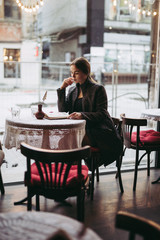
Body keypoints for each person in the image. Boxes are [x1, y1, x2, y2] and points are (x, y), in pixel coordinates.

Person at [57, 57, 122, 169]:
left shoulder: (98, 89)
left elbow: (102, 113)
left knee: (72, 142)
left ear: (86, 72)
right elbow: (62, 110)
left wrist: (82, 115)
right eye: (71, 73)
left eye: (76, 73)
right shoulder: (72, 90)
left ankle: (74, 175)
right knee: (65, 141)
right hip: (82, 131)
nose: (72, 76)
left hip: (100, 131)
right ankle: (72, 175)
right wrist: (62, 89)